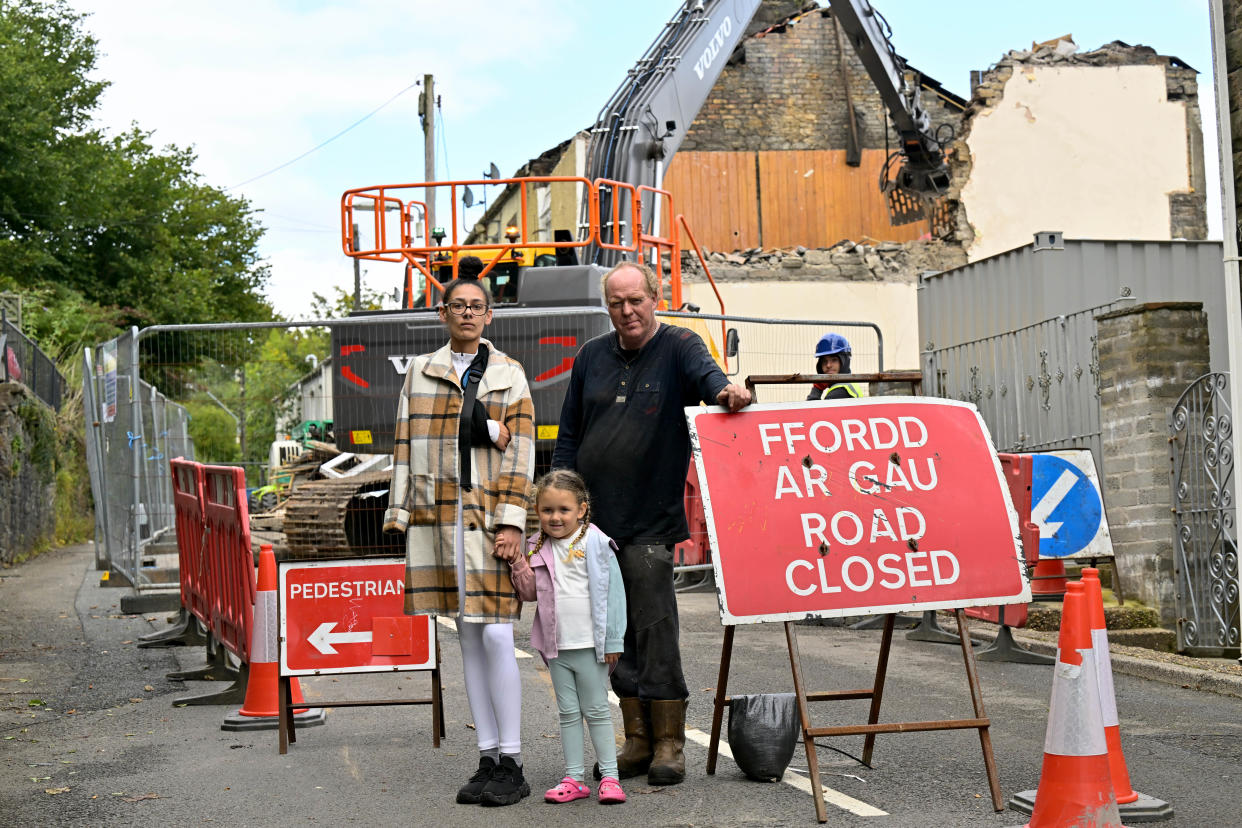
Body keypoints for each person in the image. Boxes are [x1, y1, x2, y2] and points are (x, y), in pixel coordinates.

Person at [552, 260, 752, 786]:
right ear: (606, 307)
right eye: (616, 303)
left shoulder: (680, 347)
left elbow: (710, 379)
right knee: (611, 631)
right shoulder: (591, 356)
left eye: (635, 300)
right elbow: (569, 434)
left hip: (649, 524)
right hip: (594, 527)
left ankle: (668, 742)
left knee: (654, 628)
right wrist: (560, 496)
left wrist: (726, 392)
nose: (626, 311)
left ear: (654, 297)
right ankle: (636, 737)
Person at [382, 272, 535, 807]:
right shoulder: (420, 373)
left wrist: (514, 520)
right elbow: (403, 443)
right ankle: (487, 756)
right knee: (466, 636)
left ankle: (512, 761)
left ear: (489, 316)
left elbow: (522, 453)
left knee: (496, 635)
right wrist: (399, 511)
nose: (468, 312)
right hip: (436, 519)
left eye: (477, 306)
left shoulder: (510, 374)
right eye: (458, 305)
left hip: (489, 521)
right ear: (441, 314)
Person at [509, 469, 628, 805]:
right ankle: (574, 778)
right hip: (556, 645)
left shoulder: (596, 542)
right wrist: (519, 562)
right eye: (547, 510)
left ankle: (610, 777)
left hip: (592, 645)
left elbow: (614, 595)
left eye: (563, 509)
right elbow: (530, 593)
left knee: (597, 710)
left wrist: (614, 641)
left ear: (582, 509)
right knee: (568, 713)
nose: (555, 517)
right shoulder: (534, 546)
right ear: (537, 512)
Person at [806, 332, 863, 401]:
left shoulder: (840, 391)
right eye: (824, 361)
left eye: (834, 360)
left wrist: (817, 389)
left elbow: (812, 411)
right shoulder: (848, 384)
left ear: (844, 361)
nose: (828, 365)